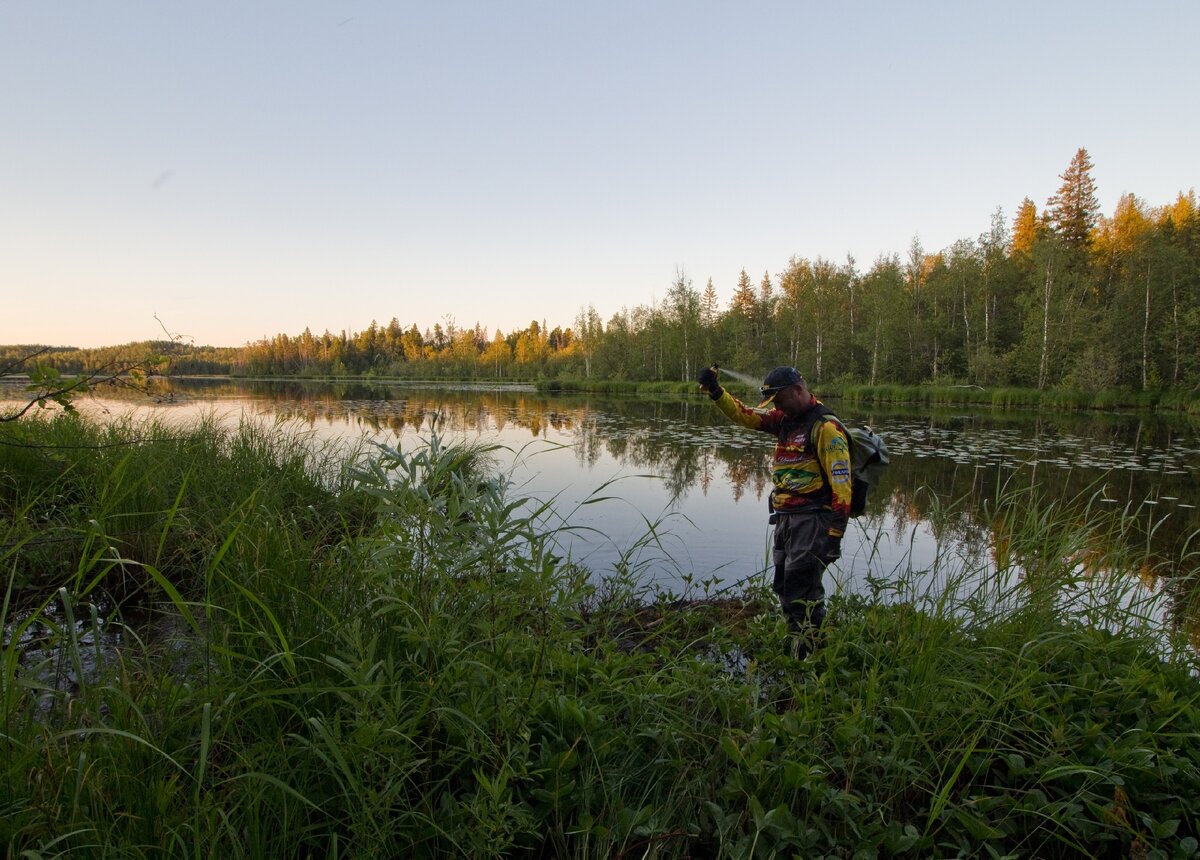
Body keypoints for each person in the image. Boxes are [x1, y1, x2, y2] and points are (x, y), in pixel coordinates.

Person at [697, 365, 851, 658]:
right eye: (774, 403)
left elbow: (842, 487)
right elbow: (745, 414)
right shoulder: (784, 420)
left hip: (813, 520)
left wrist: (834, 536)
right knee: (784, 585)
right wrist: (716, 392)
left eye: (780, 400)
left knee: (803, 589)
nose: (777, 407)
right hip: (785, 519)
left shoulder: (825, 428)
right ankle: (798, 646)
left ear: (798, 389)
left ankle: (810, 653)